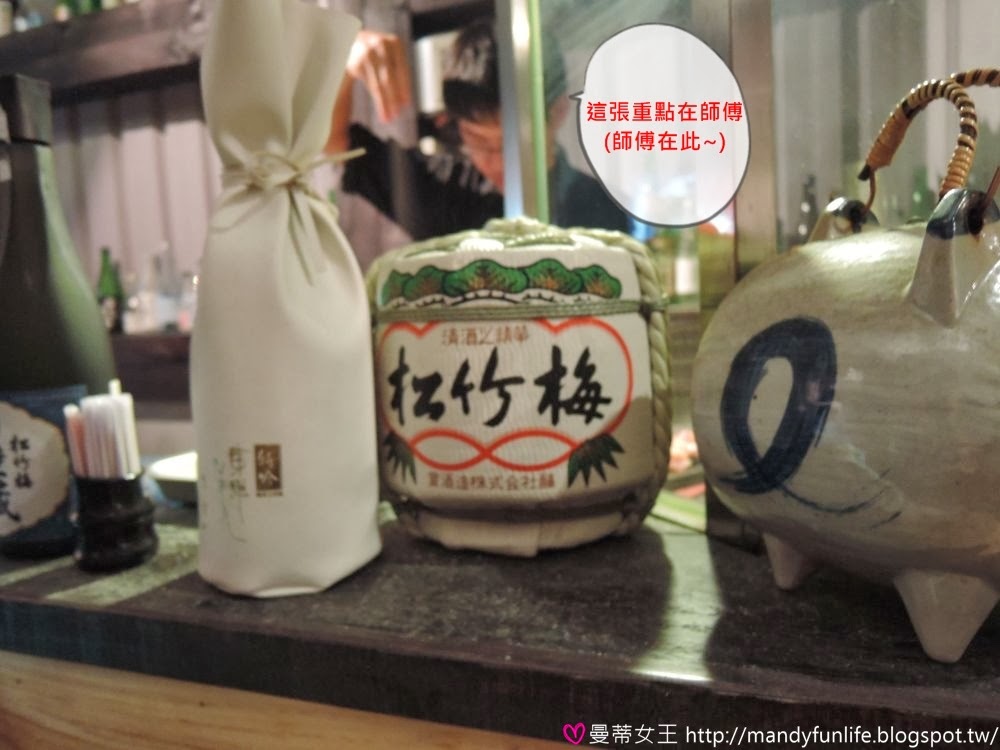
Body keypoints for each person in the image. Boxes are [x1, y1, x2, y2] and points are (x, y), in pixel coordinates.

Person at [326, 19, 630, 241]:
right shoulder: (447, 189)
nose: (498, 162)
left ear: (558, 111)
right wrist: (344, 52)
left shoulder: (602, 209)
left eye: (513, 144)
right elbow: (334, 142)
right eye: (480, 143)